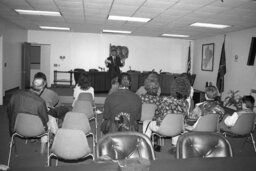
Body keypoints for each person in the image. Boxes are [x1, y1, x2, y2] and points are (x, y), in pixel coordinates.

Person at [7, 77, 58, 154]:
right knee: (51, 119)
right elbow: (45, 121)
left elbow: (9, 112)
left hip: (17, 128)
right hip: (36, 131)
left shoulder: (15, 95)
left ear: (31, 84)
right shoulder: (40, 102)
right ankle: (57, 138)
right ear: (42, 88)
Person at [143, 77, 191, 152]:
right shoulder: (186, 103)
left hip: (163, 129)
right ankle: (175, 146)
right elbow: (185, 117)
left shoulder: (164, 99)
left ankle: (145, 146)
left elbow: (158, 114)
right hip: (178, 129)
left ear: (173, 87)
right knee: (176, 121)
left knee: (146, 122)